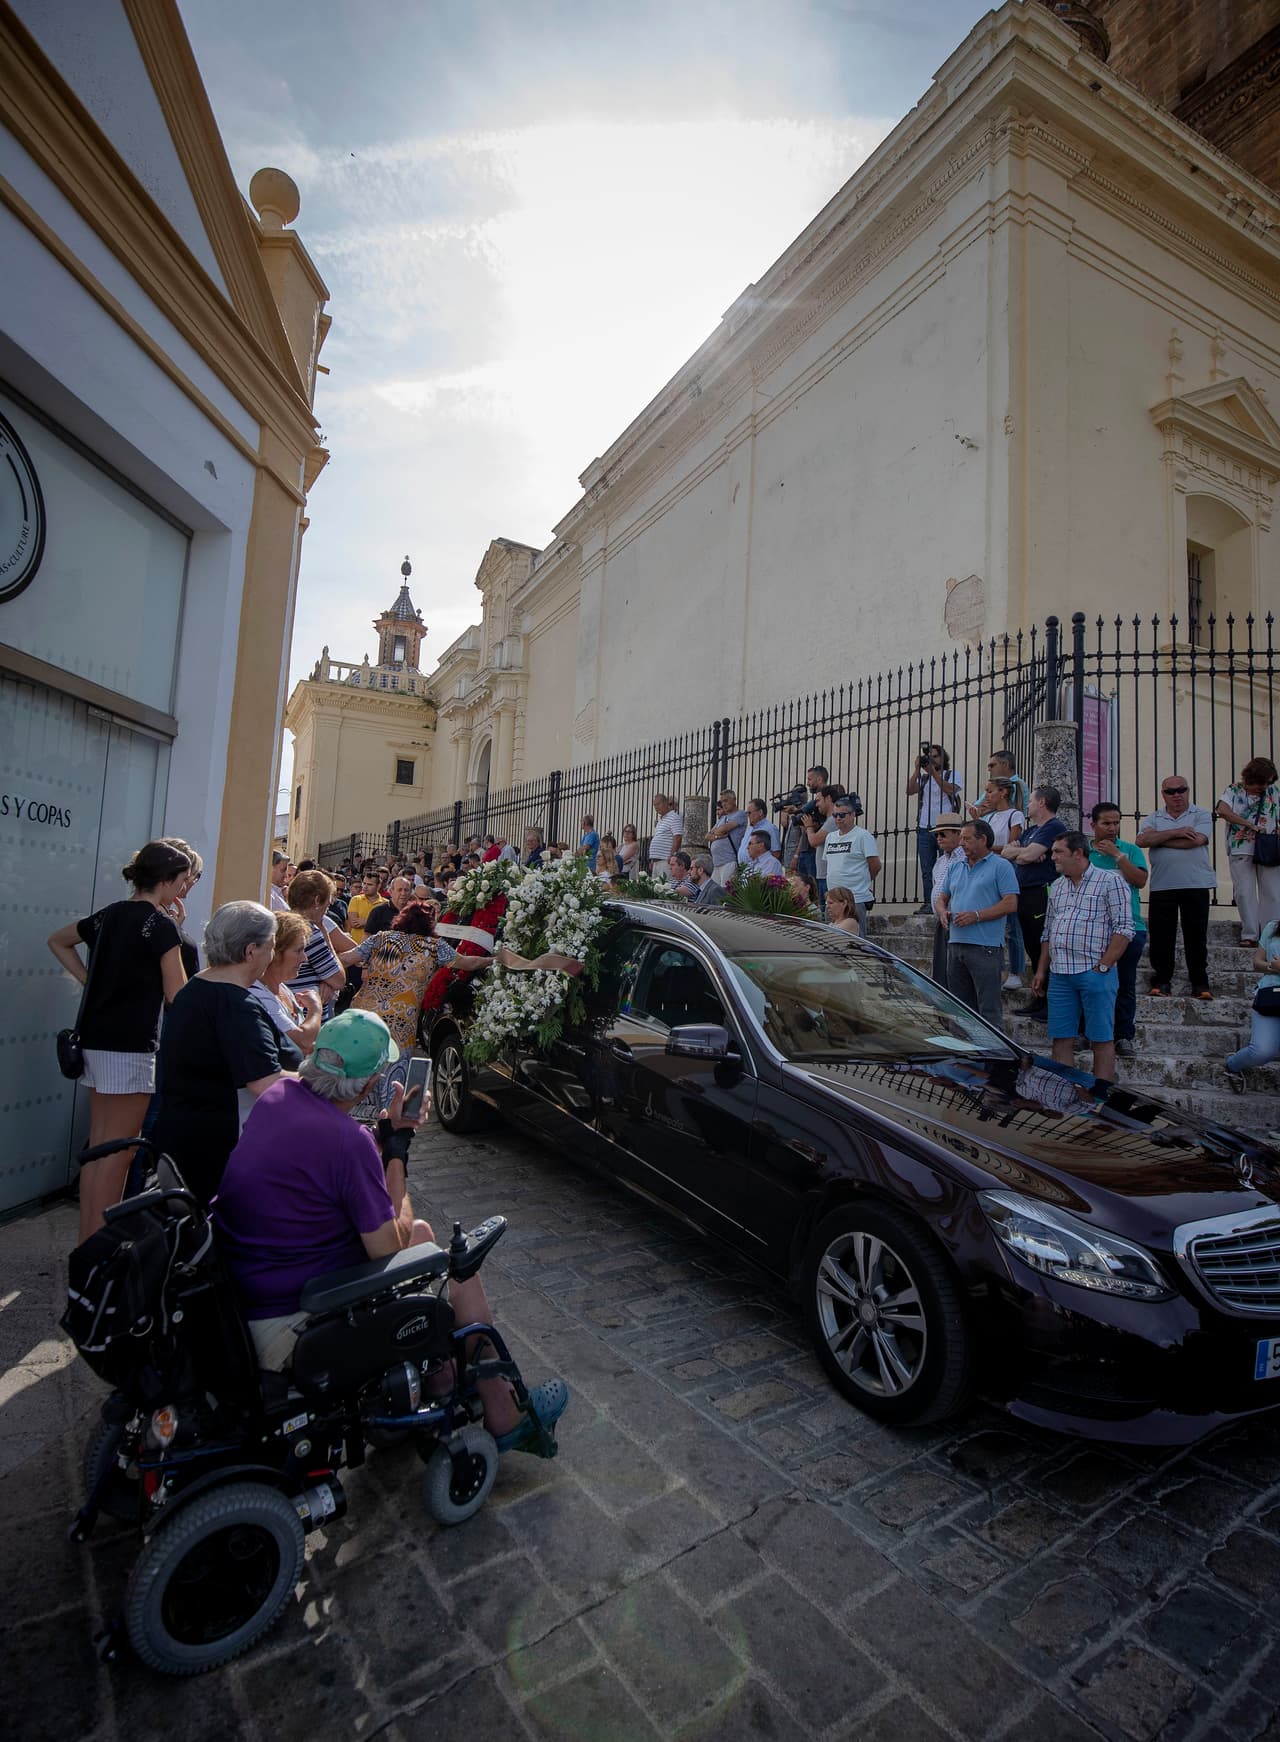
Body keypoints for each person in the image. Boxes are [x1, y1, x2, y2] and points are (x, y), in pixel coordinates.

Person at [213, 1013, 570, 1452]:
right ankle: (503, 1411)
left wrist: (380, 1139)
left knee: (422, 1232)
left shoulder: (280, 1097)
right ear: (367, 1085)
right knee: (452, 1261)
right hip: (287, 1314)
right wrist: (396, 1154)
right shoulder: (346, 1142)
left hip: (246, 1286)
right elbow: (389, 1246)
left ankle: (442, 1381)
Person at [47, 839, 192, 1239]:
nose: (183, 888)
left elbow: (58, 940)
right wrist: (177, 933)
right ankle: (100, 1243)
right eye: (182, 880)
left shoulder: (110, 915)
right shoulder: (160, 926)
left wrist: (87, 978)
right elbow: (177, 994)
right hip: (130, 1046)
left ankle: (88, 1238)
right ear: (166, 880)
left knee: (101, 1147)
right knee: (120, 1150)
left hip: (95, 1041)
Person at [149, 902, 291, 1205]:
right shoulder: (235, 1004)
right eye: (270, 946)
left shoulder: (195, 989)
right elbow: (265, 1083)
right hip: (214, 1148)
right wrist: (322, 1080)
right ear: (251, 951)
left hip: (182, 1137)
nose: (271, 955)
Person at [337, 900, 456, 1117]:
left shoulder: (381, 938)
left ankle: (355, 1118)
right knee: (394, 1073)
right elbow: (466, 963)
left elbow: (346, 958)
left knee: (362, 1065)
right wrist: (495, 959)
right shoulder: (434, 947)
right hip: (401, 1021)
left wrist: (321, 976)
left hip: (365, 1016)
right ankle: (386, 1122)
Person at [1031, 832, 1133, 1083]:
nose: (1052, 857)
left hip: (1094, 972)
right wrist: (1042, 970)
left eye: (1058, 852)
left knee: (1101, 1038)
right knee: (1061, 1037)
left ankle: (1100, 1100)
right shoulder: (1057, 886)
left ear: (1078, 853)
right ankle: (1065, 1097)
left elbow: (1124, 929)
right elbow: (1049, 930)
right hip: (1061, 974)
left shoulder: (1110, 881)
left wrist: (1103, 967)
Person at [1136, 775, 1217, 999]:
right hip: (1163, 885)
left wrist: (1159, 838)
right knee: (1162, 937)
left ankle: (1200, 983)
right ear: (1163, 794)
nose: (1177, 795)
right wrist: (1177, 831)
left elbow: (1197, 840)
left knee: (1196, 935)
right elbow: (1141, 840)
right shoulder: (1154, 817)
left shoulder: (1200, 814)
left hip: (1196, 883)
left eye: (1181, 790)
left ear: (1188, 791)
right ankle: (1161, 981)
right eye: (1171, 791)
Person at [936, 819, 1019, 1029]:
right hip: (955, 944)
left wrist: (977, 916)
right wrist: (942, 912)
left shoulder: (1001, 866)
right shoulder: (956, 867)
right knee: (960, 1008)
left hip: (985, 947)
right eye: (961, 838)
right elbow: (941, 897)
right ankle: (966, 1057)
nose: (961, 843)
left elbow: (1011, 903)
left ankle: (992, 1057)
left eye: (966, 838)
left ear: (983, 839)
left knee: (988, 1008)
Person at [1001, 784, 1068, 1019]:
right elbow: (1009, 852)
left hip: (1041, 893)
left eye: (1031, 801)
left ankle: (1050, 1001)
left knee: (1043, 947)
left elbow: (1025, 855)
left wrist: (1025, 854)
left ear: (1042, 803)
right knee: (1032, 946)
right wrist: (1025, 854)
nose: (1027, 804)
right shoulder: (1031, 832)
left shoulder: (1054, 827)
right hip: (1024, 893)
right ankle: (1039, 999)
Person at [1089, 803, 1149, 1059]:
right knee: (1089, 983)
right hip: (1092, 930)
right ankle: (1087, 1033)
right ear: (1093, 825)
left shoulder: (1130, 850)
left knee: (1124, 984)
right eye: (1106, 823)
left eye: (1116, 823)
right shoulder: (1084, 853)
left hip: (1128, 928)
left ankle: (1123, 1035)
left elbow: (1140, 880)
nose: (1112, 829)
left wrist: (1118, 856)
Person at [1216, 756, 1280, 946]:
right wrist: (1249, 825)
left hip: (1269, 846)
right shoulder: (1233, 790)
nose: (1263, 787)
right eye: (1260, 782)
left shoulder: (1273, 791)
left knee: (1272, 891)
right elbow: (1223, 811)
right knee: (1244, 892)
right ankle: (1250, 933)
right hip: (1241, 847)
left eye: (1267, 782)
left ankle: (1269, 935)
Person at [971, 778, 1025, 988]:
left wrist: (985, 848)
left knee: (1012, 924)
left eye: (990, 791)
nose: (986, 796)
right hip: (989, 869)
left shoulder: (1015, 815)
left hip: (1006, 870)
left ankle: (1016, 970)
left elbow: (1010, 846)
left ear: (1003, 793)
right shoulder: (990, 817)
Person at [250, 911, 323, 1058]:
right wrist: (315, 1008)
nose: (305, 958)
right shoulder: (258, 996)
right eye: (298, 951)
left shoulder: (281, 987)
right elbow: (303, 1041)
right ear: (275, 953)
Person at [907, 744, 962, 912]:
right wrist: (917, 769)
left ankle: (947, 902)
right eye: (928, 757)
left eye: (935, 756)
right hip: (924, 828)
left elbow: (950, 789)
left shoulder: (952, 775)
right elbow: (909, 790)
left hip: (946, 827)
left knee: (949, 865)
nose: (932, 759)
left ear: (943, 758)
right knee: (926, 868)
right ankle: (929, 903)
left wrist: (934, 774)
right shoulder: (923, 779)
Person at [1225, 922, 1280, 1089]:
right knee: (1262, 1051)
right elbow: (1257, 962)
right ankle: (1232, 1065)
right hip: (1270, 995)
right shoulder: (1273, 927)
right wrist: (1272, 966)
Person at [287, 869, 346, 1011]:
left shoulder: (280, 923)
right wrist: (325, 934)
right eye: (328, 901)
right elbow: (339, 980)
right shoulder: (309, 933)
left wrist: (325, 981)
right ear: (317, 900)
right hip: (305, 1014)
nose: (328, 907)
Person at [820, 800, 881, 936]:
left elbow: (875, 865)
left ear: (853, 815)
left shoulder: (863, 836)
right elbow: (829, 864)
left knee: (856, 942)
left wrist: (864, 880)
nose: (838, 819)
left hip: (856, 898)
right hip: (833, 898)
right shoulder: (830, 837)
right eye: (835, 816)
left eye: (842, 815)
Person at [928, 814, 966, 991]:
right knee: (941, 971)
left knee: (956, 974)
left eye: (943, 834)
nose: (939, 838)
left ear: (958, 834)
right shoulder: (941, 861)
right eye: (937, 835)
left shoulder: (965, 859)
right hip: (942, 919)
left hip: (958, 918)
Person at [798, 784, 846, 904]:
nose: (816, 804)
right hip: (823, 875)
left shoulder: (832, 821)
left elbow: (814, 841)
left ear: (828, 798)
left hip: (827, 877)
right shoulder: (829, 821)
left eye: (818, 800)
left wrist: (809, 827)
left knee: (827, 915)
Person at [783, 766, 829, 884]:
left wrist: (796, 855)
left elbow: (816, 825)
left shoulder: (826, 800)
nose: (807, 784)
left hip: (813, 851)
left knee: (813, 888)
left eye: (809, 779)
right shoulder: (814, 803)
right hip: (806, 850)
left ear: (819, 779)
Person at [707, 789, 748, 887]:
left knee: (725, 893)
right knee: (714, 894)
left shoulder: (740, 814)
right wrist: (717, 837)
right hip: (717, 862)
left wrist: (718, 833)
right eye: (722, 802)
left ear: (734, 800)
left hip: (728, 861)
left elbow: (722, 829)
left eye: (726, 801)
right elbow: (707, 836)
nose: (723, 804)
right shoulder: (723, 818)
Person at [364, 873, 415, 939]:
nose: (403, 893)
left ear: (411, 892)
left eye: (406, 890)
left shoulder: (416, 912)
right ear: (391, 891)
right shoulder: (378, 912)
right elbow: (367, 937)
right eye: (399, 890)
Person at [736, 797, 782, 865]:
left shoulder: (770, 828)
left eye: (749, 813)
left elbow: (776, 853)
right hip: (745, 869)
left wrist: (762, 866)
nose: (748, 816)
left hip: (759, 870)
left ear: (760, 812)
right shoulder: (750, 829)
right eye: (747, 813)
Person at [648, 794, 684, 872]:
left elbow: (677, 837)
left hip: (665, 860)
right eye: (654, 805)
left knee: (665, 884)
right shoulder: (661, 820)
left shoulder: (674, 817)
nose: (656, 807)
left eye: (658, 804)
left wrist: (671, 856)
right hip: (656, 861)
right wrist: (652, 860)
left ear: (666, 803)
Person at [345, 870, 381, 944]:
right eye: (364, 883)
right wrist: (376, 923)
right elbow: (353, 923)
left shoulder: (385, 903)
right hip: (356, 946)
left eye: (370, 884)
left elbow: (384, 927)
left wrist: (365, 921)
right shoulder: (355, 899)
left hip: (376, 947)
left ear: (378, 886)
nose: (365, 887)